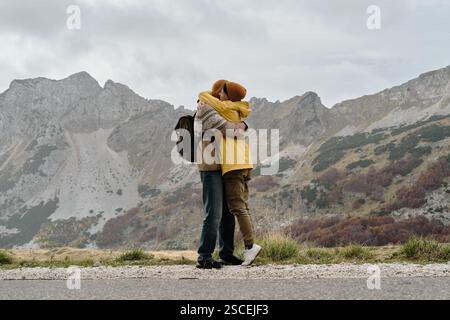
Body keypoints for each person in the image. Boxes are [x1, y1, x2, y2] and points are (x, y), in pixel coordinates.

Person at [197, 81, 262, 266]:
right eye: (217, 90)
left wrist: (243, 125)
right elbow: (229, 129)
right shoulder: (205, 108)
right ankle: (204, 256)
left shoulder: (223, 108)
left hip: (225, 166)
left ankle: (226, 253)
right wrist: (241, 126)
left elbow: (236, 124)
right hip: (210, 166)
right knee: (214, 212)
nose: (219, 94)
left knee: (227, 213)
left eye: (222, 91)